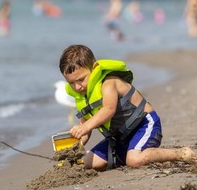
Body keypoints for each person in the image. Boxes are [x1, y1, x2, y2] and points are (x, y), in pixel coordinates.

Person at [59, 44, 196, 171]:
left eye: (81, 79)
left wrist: (85, 127)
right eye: (71, 83)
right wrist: (75, 147)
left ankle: (180, 153)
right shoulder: (83, 96)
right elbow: (84, 127)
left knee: (134, 160)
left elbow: (108, 110)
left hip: (144, 125)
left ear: (94, 68)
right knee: (90, 163)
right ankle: (129, 152)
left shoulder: (108, 83)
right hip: (119, 138)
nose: (77, 87)